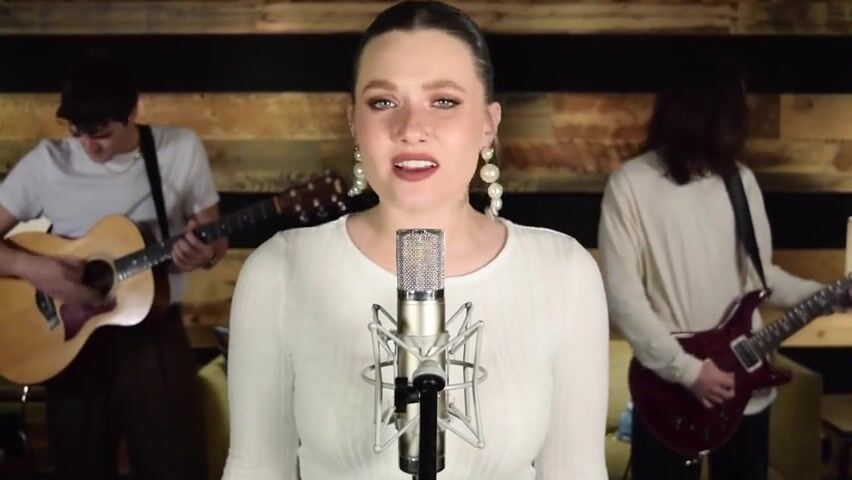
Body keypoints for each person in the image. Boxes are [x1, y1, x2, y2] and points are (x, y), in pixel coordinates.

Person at [222, 1, 609, 479]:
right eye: (383, 102)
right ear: (353, 122)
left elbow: (577, 470)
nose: (410, 129)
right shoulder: (280, 270)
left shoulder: (563, 271)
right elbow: (255, 467)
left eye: (443, 101)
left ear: (488, 123)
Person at [0, 50, 227, 480]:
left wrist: (204, 253)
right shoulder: (46, 163)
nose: (89, 147)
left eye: (101, 134)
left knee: (176, 466)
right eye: (77, 133)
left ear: (133, 112)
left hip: (154, 332)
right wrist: (35, 269)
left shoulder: (177, 150)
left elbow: (214, 239)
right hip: (67, 342)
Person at [598, 59, 824, 480]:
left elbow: (762, 278)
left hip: (746, 389)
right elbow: (623, 298)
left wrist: (826, 295)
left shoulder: (740, 181)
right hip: (669, 393)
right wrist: (688, 372)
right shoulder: (630, 183)